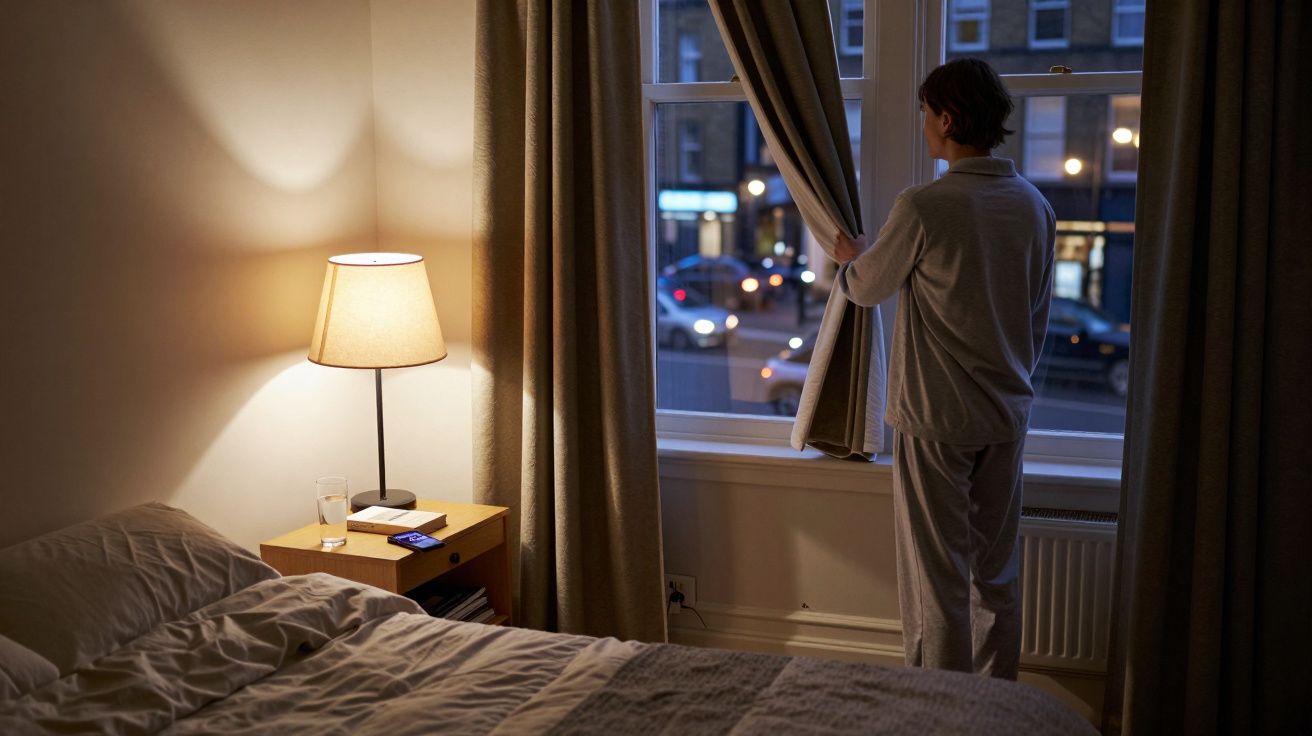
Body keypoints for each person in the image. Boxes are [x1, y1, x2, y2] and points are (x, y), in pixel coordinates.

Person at [832, 58, 1055, 680]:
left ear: (948, 119)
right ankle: (995, 707)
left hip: (936, 420)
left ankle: (940, 710)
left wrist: (853, 257)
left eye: (926, 113)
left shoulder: (927, 205)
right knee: (996, 573)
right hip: (1006, 415)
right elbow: (1037, 318)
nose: (923, 125)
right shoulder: (1034, 205)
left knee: (939, 580)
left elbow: (867, 288)